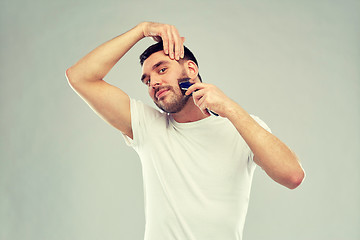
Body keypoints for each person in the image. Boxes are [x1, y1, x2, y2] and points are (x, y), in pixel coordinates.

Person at [66, 22, 305, 240]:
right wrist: (142, 30)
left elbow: (292, 176)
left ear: (190, 69)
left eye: (161, 70)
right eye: (147, 80)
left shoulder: (241, 127)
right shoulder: (149, 127)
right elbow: (80, 77)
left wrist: (230, 108)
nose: (154, 83)